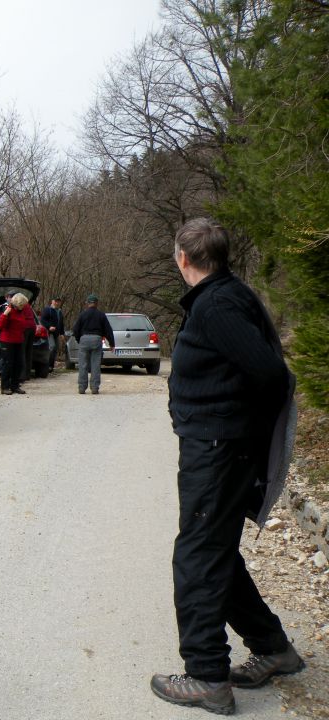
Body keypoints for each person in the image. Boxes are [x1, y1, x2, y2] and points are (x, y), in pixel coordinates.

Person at [150, 218, 303, 715]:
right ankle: (274, 647)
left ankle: (206, 677)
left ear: (183, 259)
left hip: (217, 450)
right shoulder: (228, 294)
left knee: (196, 557)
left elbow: (271, 375)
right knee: (215, 552)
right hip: (221, 447)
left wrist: (235, 427)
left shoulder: (216, 305)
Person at [71, 293, 115, 395]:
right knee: (95, 365)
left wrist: (79, 340)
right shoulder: (101, 315)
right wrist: (112, 343)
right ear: (96, 303)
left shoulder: (82, 314)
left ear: (87, 303)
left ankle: (82, 388)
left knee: (83, 365)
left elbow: (75, 329)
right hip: (96, 339)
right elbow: (108, 330)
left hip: (84, 339)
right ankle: (94, 388)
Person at [0, 293, 31, 396]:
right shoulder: (8, 310)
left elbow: (24, 324)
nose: (24, 307)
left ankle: (15, 386)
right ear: (18, 304)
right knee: (8, 364)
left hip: (18, 340)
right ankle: (5, 387)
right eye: (23, 305)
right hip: (7, 341)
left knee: (18, 364)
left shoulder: (22, 311)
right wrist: (5, 315)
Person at [40, 296, 65, 369]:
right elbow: (42, 321)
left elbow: (61, 323)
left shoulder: (59, 311)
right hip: (49, 333)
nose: (57, 303)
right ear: (52, 301)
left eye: (59, 301)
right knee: (52, 347)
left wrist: (62, 333)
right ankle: (46, 365)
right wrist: (49, 327)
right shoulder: (47, 310)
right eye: (56, 301)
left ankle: (51, 366)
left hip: (56, 333)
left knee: (56, 349)